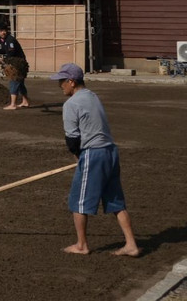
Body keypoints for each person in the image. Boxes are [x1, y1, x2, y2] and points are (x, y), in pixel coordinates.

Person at [51, 63, 140, 257]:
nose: (60, 86)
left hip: (94, 154)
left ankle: (81, 245)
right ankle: (131, 244)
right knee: (116, 200)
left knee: (78, 201)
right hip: (110, 151)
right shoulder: (93, 96)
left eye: (62, 81)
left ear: (71, 82)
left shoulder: (71, 104)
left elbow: (72, 140)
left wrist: (78, 157)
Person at [0, 24, 30, 110]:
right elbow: (4, 50)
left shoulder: (10, 40)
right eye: (1, 31)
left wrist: (3, 60)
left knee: (14, 82)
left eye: (4, 30)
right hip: (17, 63)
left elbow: (11, 53)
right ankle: (25, 101)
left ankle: (13, 104)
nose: (3, 32)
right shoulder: (4, 40)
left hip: (18, 64)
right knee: (20, 84)